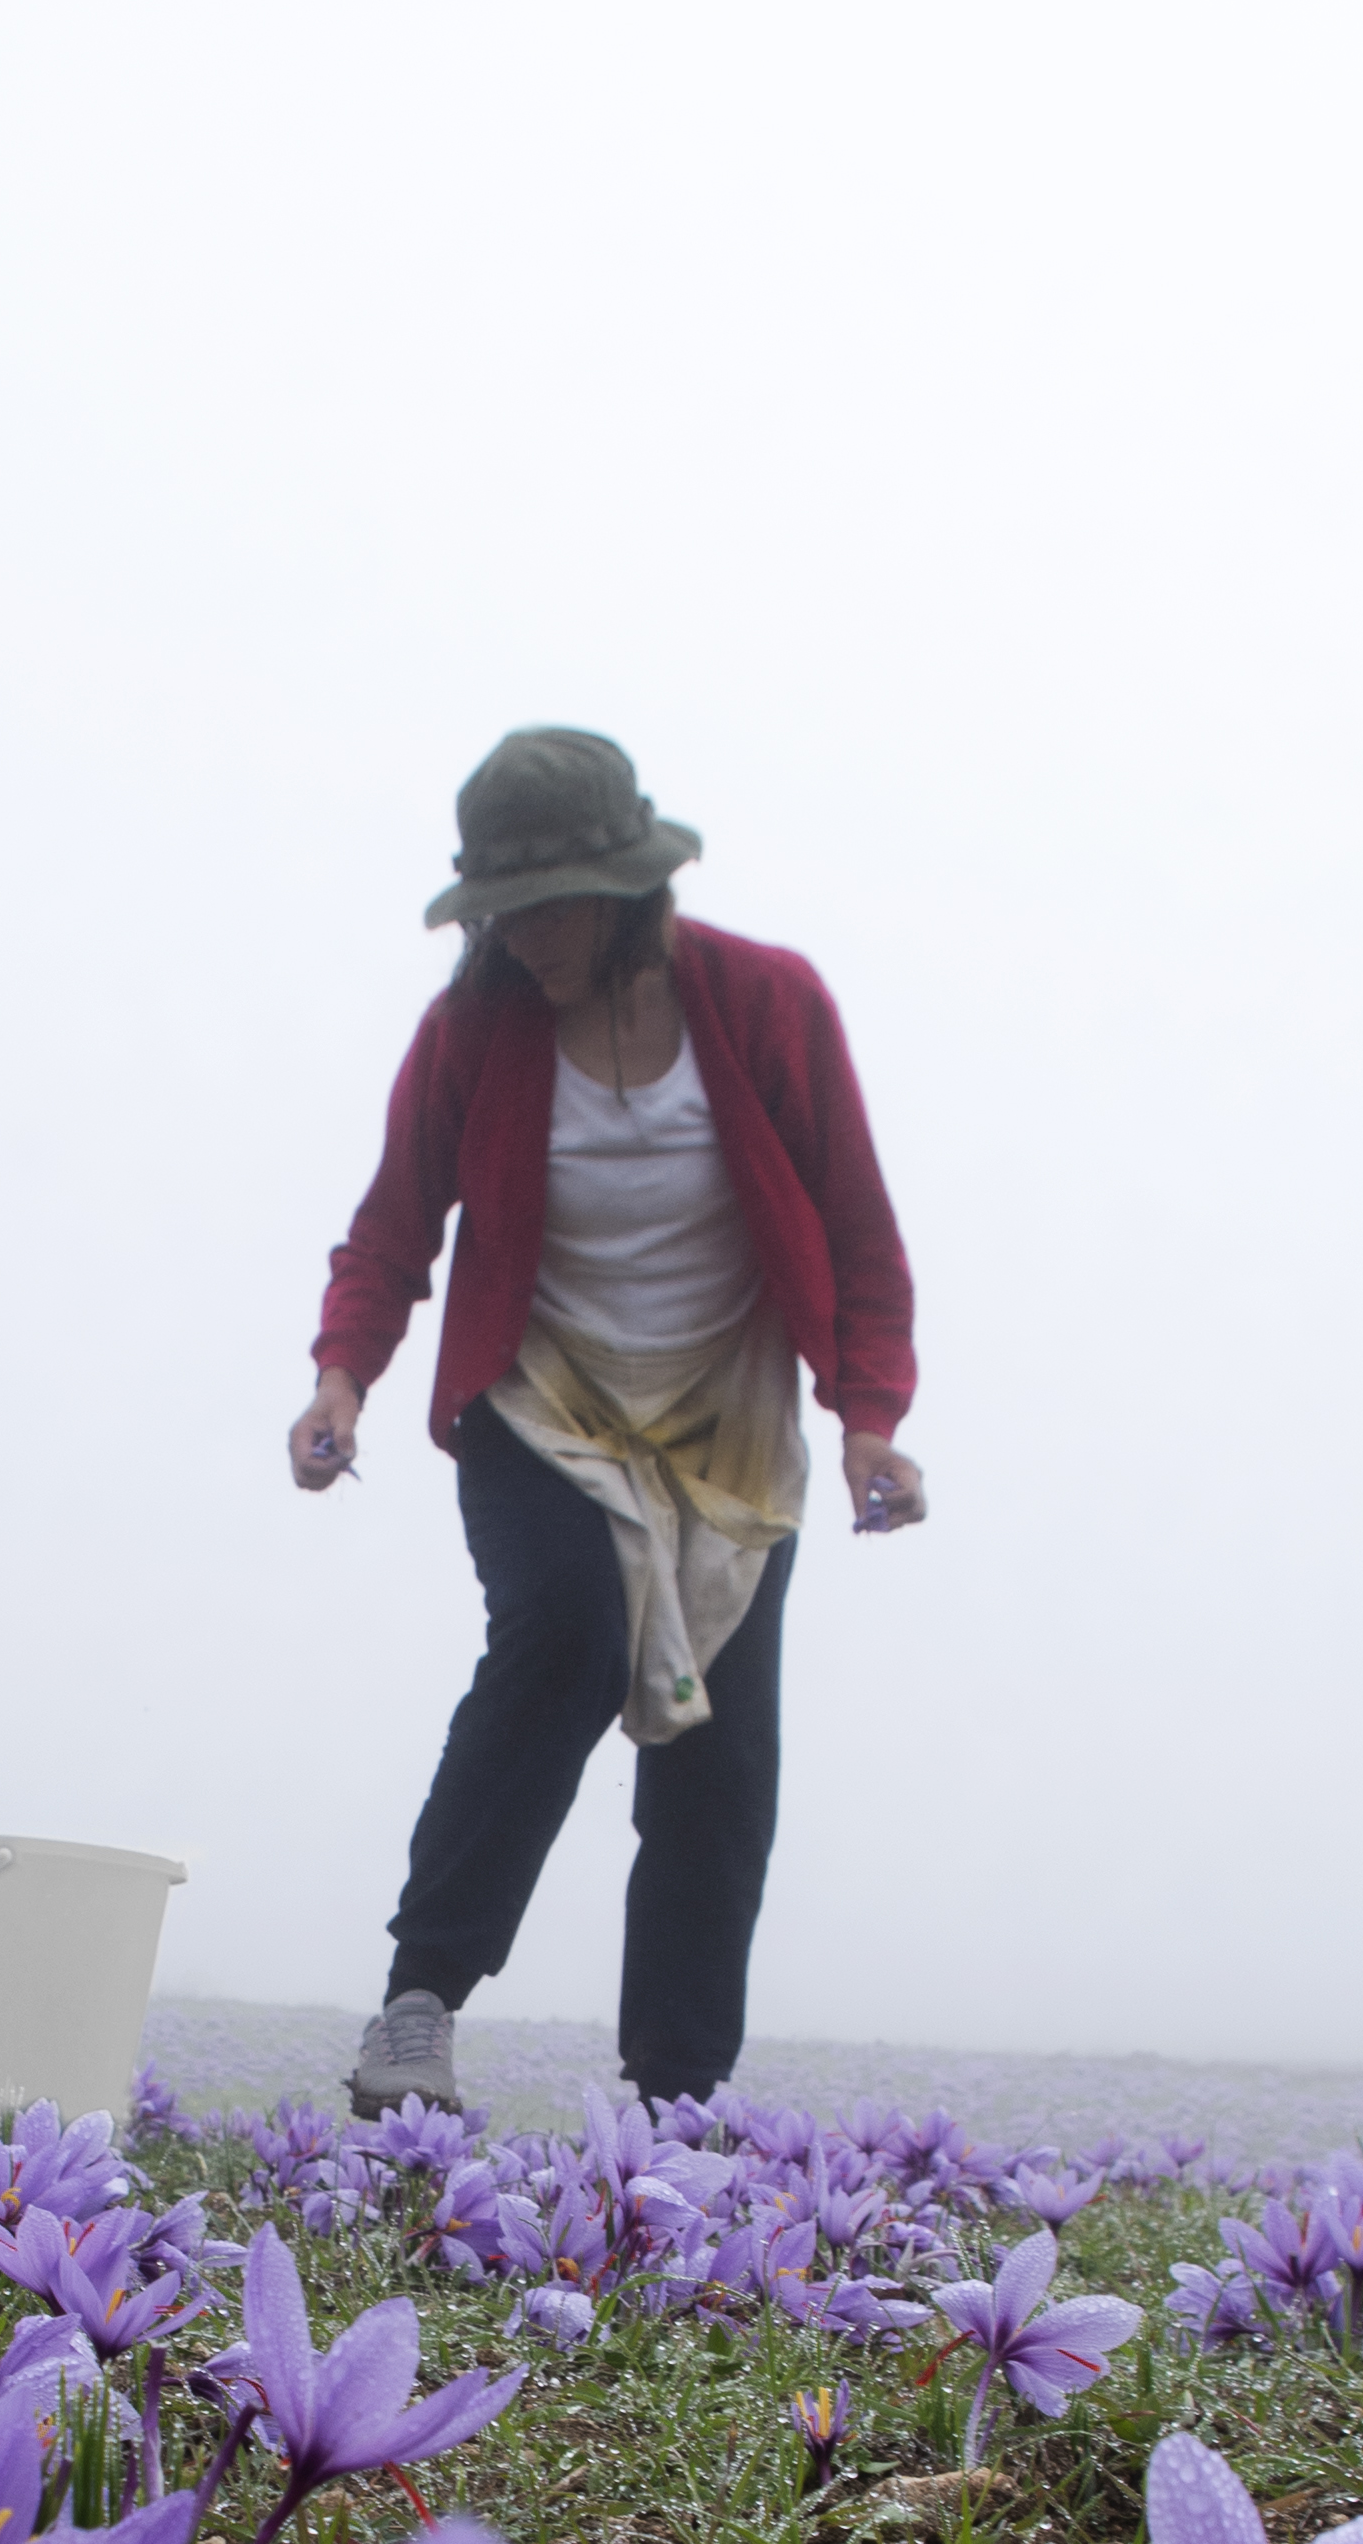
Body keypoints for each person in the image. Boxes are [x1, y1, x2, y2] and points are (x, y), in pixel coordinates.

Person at [295, 725, 922, 2116]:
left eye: (557, 905)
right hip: (542, 1403)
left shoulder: (767, 1005)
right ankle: (418, 2009)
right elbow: (394, 1228)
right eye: (504, 913)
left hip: (726, 1429)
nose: (529, 939)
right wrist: (346, 1374)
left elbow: (858, 1229)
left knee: (718, 1743)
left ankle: (673, 2106)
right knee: (566, 1636)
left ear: (632, 887)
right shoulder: (474, 1032)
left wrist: (870, 1414)